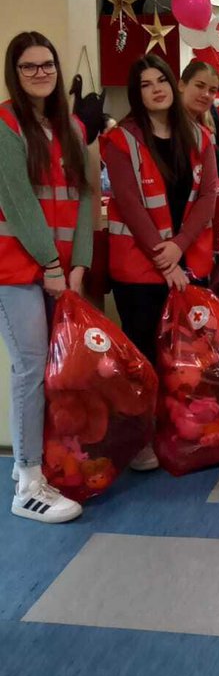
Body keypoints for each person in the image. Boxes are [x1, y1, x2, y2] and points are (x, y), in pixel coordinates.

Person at [105, 57, 218, 469]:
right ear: (136, 93)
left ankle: (180, 427)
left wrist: (181, 246)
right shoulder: (122, 140)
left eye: (161, 80)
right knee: (144, 356)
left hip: (186, 262)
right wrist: (164, 257)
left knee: (185, 353)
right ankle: (141, 439)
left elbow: (207, 198)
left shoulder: (200, 137)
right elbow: (130, 204)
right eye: (145, 83)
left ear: (172, 84)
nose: (156, 88)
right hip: (139, 270)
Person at [0, 32, 93, 523]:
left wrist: (78, 264)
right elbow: (17, 204)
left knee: (62, 371)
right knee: (31, 369)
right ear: (14, 74)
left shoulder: (71, 125)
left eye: (47, 65)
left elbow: (82, 198)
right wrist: (52, 266)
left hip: (60, 272)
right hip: (15, 270)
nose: (40, 73)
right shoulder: (4, 124)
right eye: (28, 67)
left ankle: (39, 465)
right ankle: (27, 481)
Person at [178, 59, 219, 176]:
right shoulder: (166, 125)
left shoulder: (206, 128)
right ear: (181, 85)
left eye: (212, 90)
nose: (206, 95)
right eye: (200, 86)